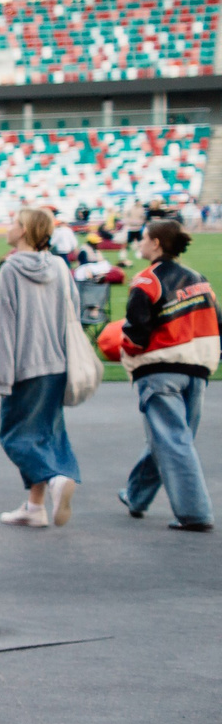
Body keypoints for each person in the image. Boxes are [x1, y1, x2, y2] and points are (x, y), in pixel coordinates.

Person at [115, 218, 214, 532]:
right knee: (173, 438)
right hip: (198, 370)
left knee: (172, 441)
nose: (139, 244)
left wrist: (124, 351)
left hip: (160, 372)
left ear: (156, 243)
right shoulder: (200, 280)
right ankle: (136, 495)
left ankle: (195, 513)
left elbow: (136, 335)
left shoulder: (146, 281)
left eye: (143, 238)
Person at [0, 207, 83, 529]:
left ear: (25, 231)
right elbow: (73, 309)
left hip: (25, 365)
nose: (9, 226)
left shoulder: (11, 270)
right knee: (46, 433)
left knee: (15, 436)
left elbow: (6, 328)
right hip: (57, 362)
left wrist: (4, 378)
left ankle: (55, 478)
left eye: (15, 222)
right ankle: (35, 506)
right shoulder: (59, 265)